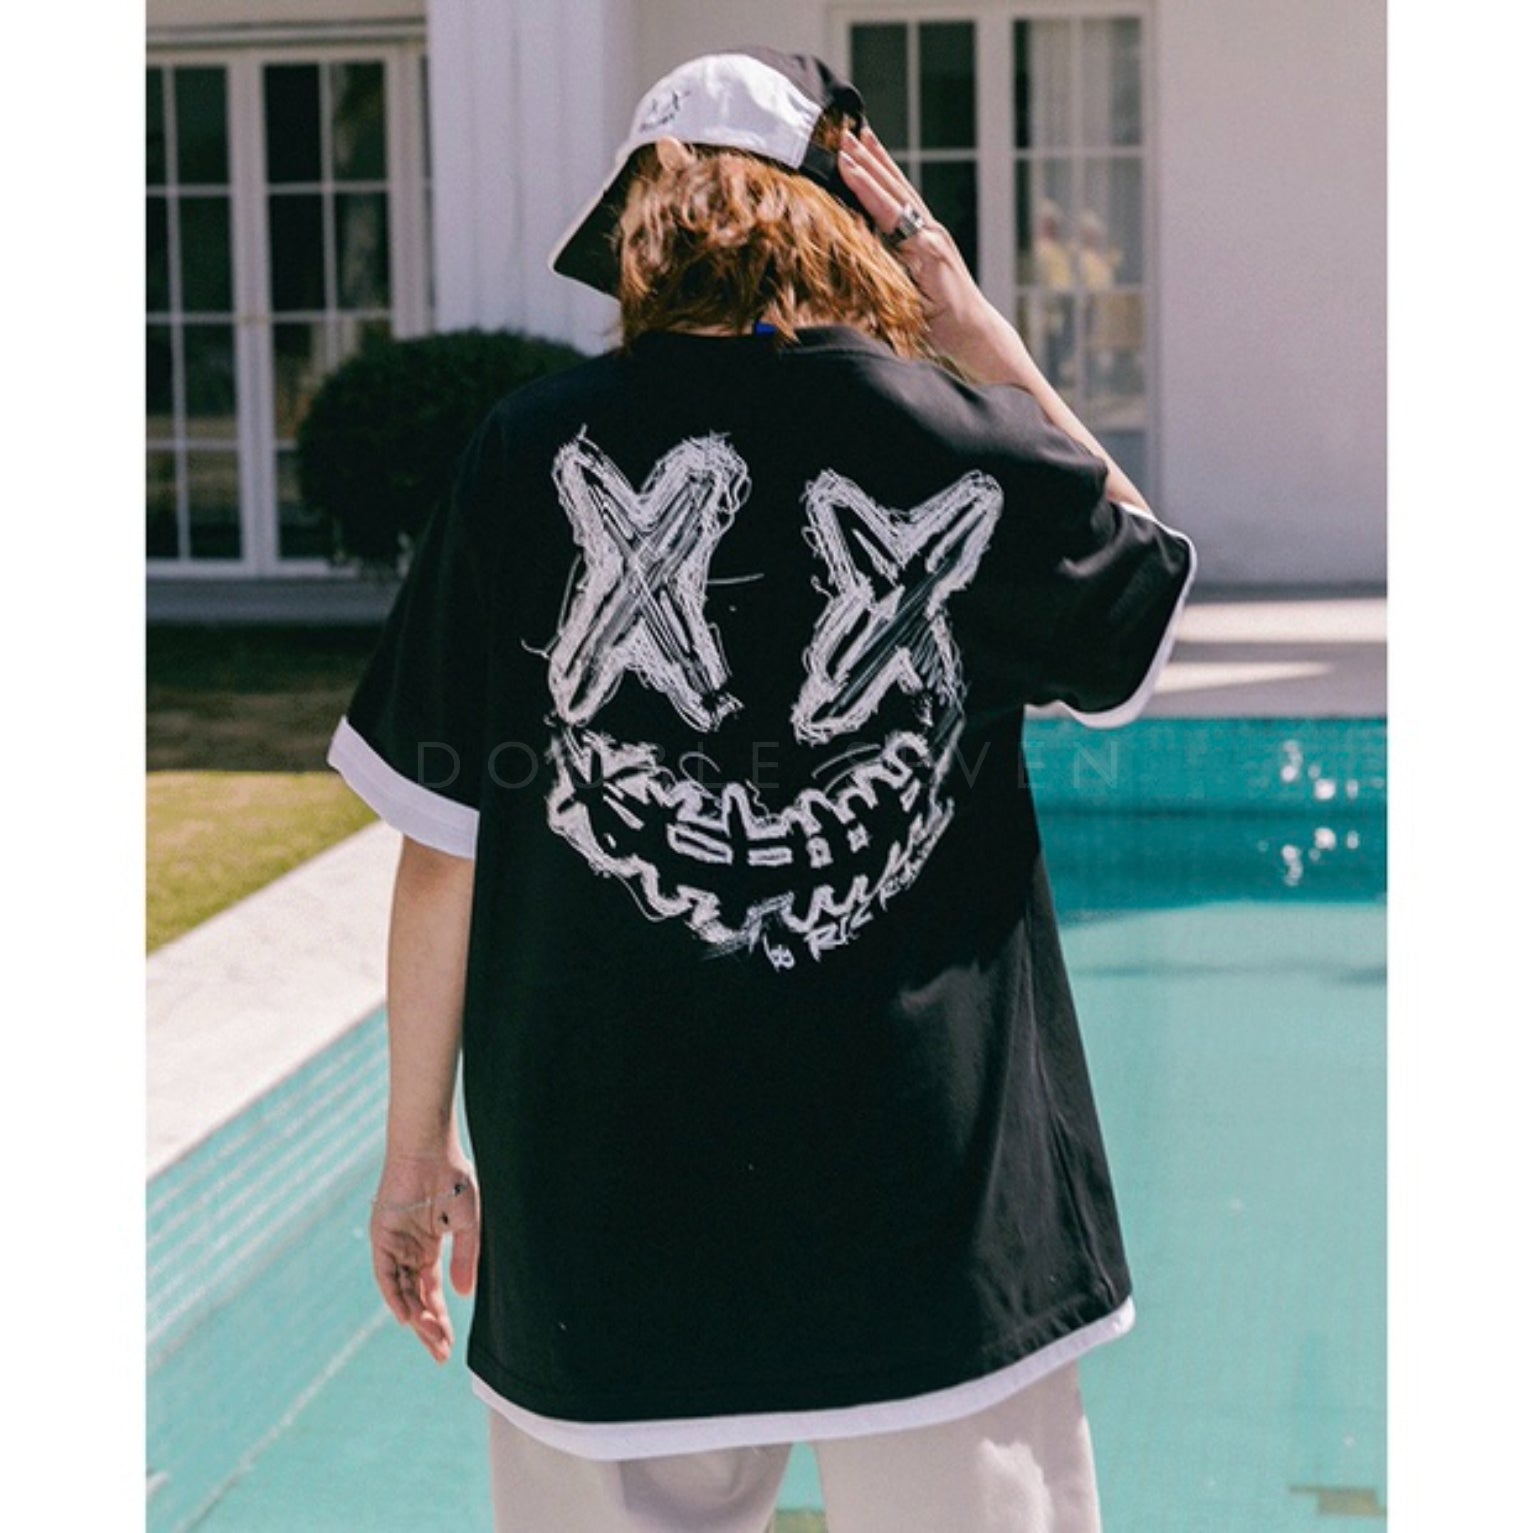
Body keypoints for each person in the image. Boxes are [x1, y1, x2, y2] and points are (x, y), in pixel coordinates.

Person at [327, 46, 1196, 1533]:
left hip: (609, 1208)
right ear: (848, 226)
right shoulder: (955, 435)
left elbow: (442, 850)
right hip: (929, 1208)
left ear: (639, 234)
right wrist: (979, 333)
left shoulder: (518, 455)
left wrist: (417, 1157)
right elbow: (1143, 592)